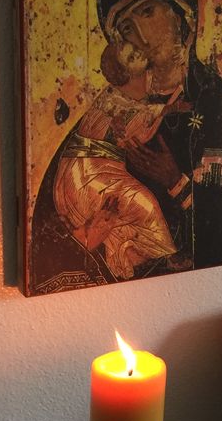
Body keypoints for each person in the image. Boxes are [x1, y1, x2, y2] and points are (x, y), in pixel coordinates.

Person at [30, 0, 222, 289]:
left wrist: (174, 180)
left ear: (181, 12)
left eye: (148, 11)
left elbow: (220, 228)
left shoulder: (212, 101)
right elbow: (51, 228)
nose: (141, 34)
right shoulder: (115, 103)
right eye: (127, 27)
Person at [52, 40, 189, 280]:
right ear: (122, 70)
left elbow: (146, 117)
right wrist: (173, 107)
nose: (139, 53)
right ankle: (168, 255)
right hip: (89, 173)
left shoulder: (125, 95)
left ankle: (135, 254)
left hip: (88, 170)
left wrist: (169, 107)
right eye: (131, 55)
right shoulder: (117, 99)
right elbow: (139, 133)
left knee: (133, 212)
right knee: (145, 204)